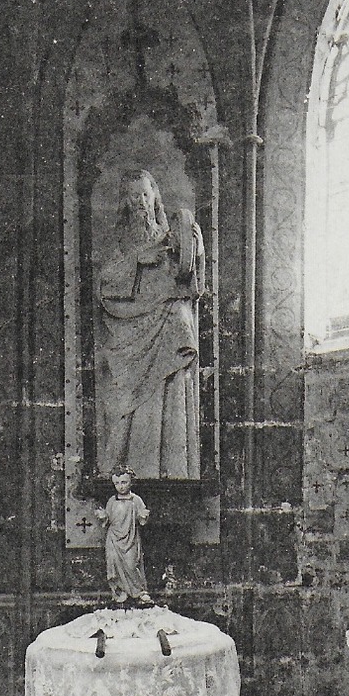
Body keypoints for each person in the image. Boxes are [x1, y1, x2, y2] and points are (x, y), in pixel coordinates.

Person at [96, 168, 205, 479]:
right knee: (127, 400)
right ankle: (127, 469)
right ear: (126, 203)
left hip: (165, 323)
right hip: (130, 327)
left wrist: (196, 249)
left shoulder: (169, 238)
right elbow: (105, 283)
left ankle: (172, 466)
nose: (140, 202)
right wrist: (137, 261)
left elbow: (191, 286)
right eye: (133, 196)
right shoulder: (121, 243)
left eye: (145, 194)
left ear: (155, 197)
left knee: (181, 321)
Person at [95, 468, 152, 605]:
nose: (120, 486)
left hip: (130, 538)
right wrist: (103, 516)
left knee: (132, 564)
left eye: (124, 482)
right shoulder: (112, 501)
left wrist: (143, 515)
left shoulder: (136, 500)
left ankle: (139, 591)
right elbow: (107, 518)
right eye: (117, 483)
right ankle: (120, 591)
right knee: (114, 564)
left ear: (131, 482)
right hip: (114, 539)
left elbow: (142, 517)